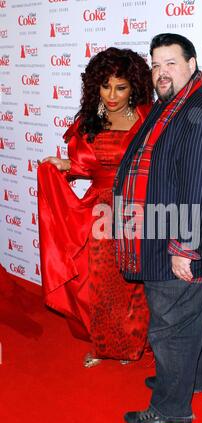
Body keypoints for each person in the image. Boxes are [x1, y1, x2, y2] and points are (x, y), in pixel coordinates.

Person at [113, 33, 202, 423]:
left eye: (171, 62)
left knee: (171, 324)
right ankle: (191, 379)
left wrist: (183, 248)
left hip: (188, 240)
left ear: (192, 64)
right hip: (165, 230)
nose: (161, 72)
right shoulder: (175, 102)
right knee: (187, 318)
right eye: (155, 64)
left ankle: (172, 409)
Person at [37, 47, 153, 367]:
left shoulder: (147, 119)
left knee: (134, 282)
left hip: (136, 206)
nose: (112, 95)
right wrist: (65, 165)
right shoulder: (92, 119)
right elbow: (87, 165)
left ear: (134, 88)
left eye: (120, 87)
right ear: (95, 86)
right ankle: (104, 344)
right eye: (105, 86)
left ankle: (131, 345)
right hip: (100, 207)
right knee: (99, 282)